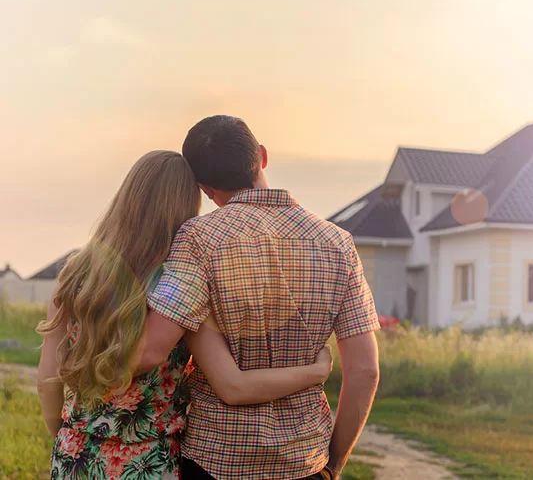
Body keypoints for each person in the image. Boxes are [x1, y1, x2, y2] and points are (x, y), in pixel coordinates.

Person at [37, 150, 334, 480]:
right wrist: (316, 371)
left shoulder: (75, 277)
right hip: (148, 462)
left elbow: (45, 381)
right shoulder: (178, 288)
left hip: (73, 454)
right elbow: (234, 384)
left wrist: (69, 440)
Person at [136, 116, 381, 480]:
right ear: (262, 156)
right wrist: (334, 465)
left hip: (215, 460)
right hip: (305, 461)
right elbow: (365, 370)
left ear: (204, 188)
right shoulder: (337, 243)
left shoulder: (198, 239)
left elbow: (154, 347)